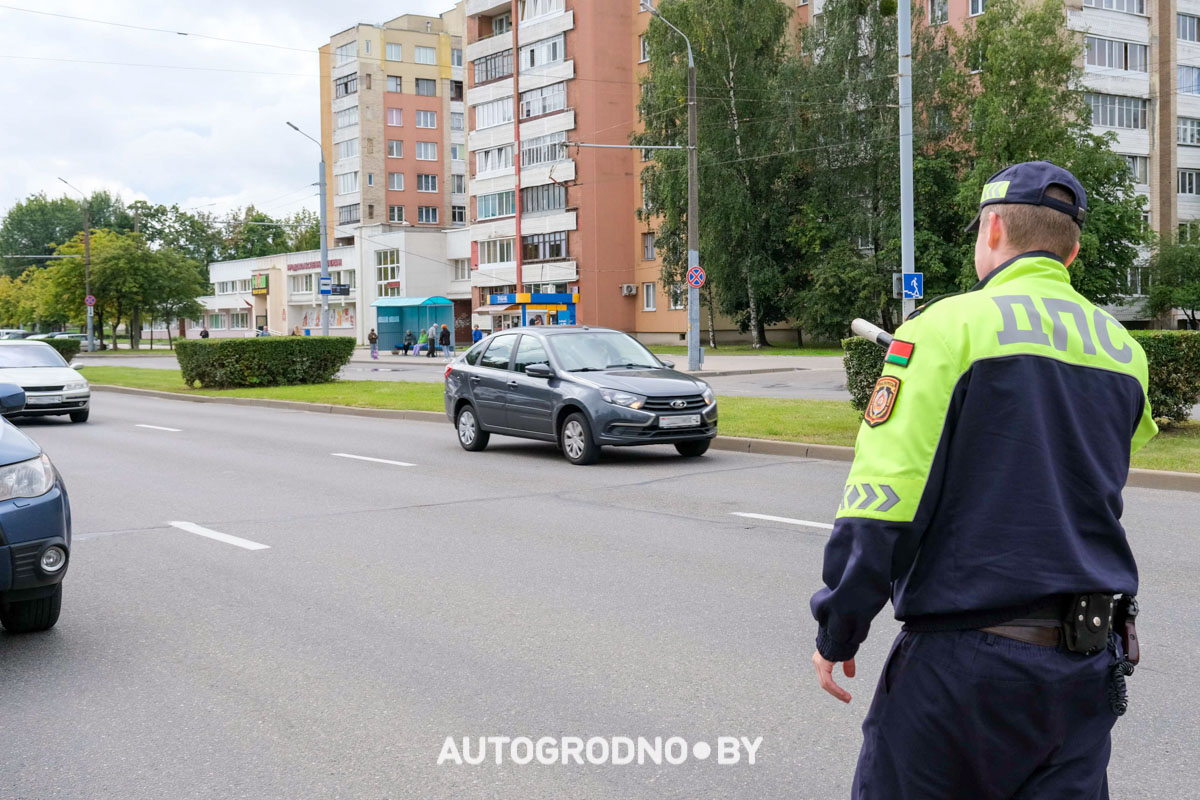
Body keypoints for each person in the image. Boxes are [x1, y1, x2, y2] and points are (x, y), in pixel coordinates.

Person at [810, 161, 1157, 799]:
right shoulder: (1124, 351)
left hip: (964, 670)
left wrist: (841, 625)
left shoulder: (943, 331)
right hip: (1083, 670)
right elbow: (1118, 450)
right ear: (1071, 251)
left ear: (992, 229)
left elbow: (883, 504)